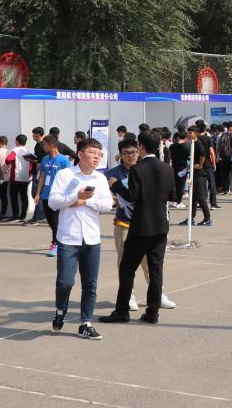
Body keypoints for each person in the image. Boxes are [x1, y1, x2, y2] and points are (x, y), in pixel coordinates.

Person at [100, 132, 172, 326]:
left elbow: (131, 196)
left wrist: (117, 186)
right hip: (160, 226)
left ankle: (122, 311)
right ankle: (152, 312)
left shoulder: (137, 169)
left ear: (141, 146)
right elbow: (173, 196)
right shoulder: (167, 168)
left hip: (140, 227)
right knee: (156, 270)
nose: (132, 154)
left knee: (127, 269)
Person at [47, 138, 113, 339]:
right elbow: (53, 202)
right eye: (92, 152)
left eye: (99, 154)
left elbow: (108, 204)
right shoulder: (65, 174)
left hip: (92, 238)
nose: (96, 157)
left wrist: (86, 201)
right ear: (80, 154)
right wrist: (75, 197)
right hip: (69, 237)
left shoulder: (100, 178)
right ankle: (60, 311)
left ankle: (86, 323)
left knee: (90, 284)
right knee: (65, 282)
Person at [36, 136, 73, 257]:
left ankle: (55, 244)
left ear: (51, 145)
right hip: (46, 195)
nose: (43, 147)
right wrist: (38, 193)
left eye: (44, 144)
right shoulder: (45, 159)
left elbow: (69, 178)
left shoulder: (63, 160)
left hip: (58, 195)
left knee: (56, 221)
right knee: (51, 221)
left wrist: (67, 195)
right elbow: (42, 176)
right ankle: (61, 240)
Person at [5, 135, 33, 222]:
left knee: (14, 197)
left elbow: (8, 160)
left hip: (16, 177)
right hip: (26, 177)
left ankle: (15, 215)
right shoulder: (28, 151)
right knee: (24, 197)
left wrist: (12, 162)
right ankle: (23, 215)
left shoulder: (15, 150)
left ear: (17, 141)